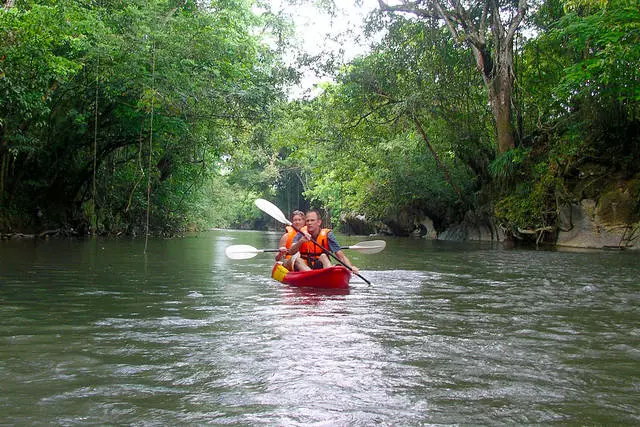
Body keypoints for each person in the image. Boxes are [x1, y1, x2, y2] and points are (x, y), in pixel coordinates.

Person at [287, 209, 359, 274]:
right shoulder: (301, 233)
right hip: (305, 267)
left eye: (312, 220)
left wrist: (351, 267)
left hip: (321, 266)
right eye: (307, 221)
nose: (309, 223)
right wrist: (301, 241)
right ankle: (311, 275)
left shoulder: (328, 235)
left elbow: (341, 256)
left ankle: (330, 274)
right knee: (296, 259)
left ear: (319, 222)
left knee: (323, 256)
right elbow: (290, 251)